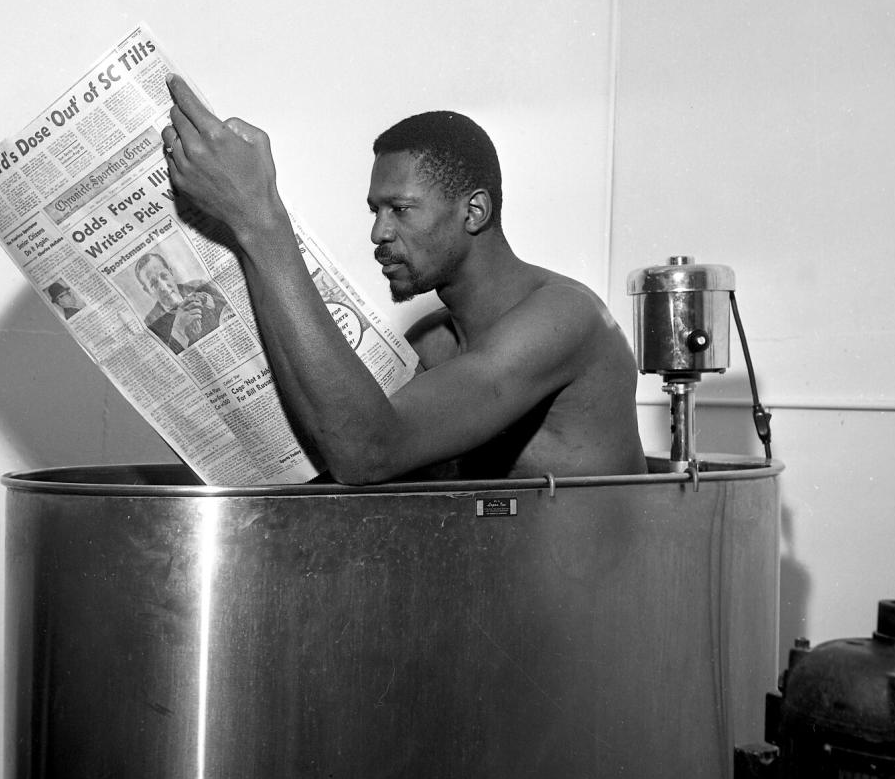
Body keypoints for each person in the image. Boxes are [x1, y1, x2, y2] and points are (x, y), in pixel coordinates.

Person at [162, 75, 646, 483]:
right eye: (375, 210)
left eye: (401, 208)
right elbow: (353, 449)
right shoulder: (432, 345)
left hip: (595, 594)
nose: (378, 231)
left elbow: (368, 450)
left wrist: (259, 220)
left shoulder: (565, 316)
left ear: (474, 211)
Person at [133, 250, 229, 354]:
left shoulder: (199, 285)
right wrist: (178, 330)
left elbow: (231, 308)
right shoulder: (150, 323)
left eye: (164, 276)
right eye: (154, 283)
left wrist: (211, 301)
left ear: (171, 273)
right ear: (148, 291)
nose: (164, 287)